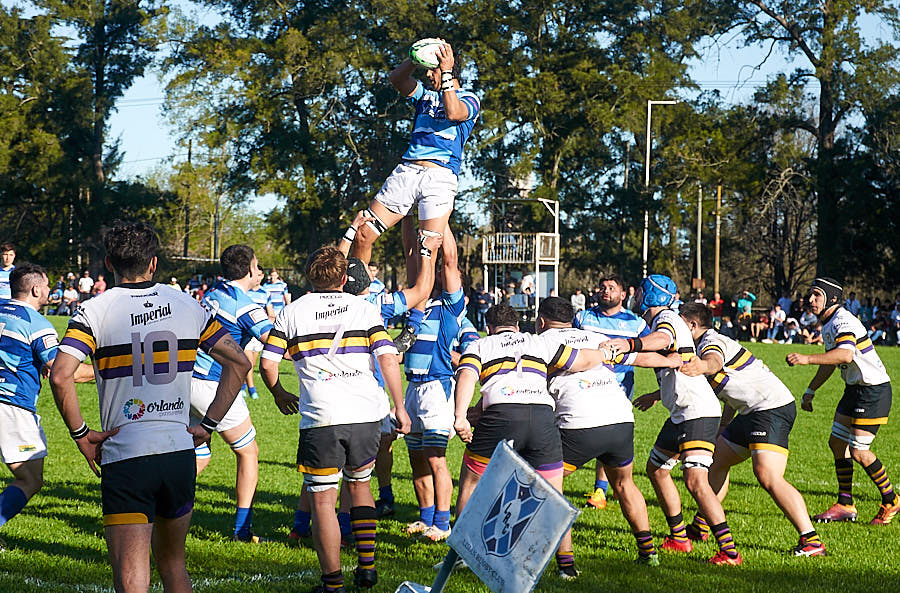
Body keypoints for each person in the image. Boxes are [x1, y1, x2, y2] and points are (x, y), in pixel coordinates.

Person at [49, 221, 249, 593]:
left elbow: (60, 376)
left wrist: (80, 434)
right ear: (154, 264)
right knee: (174, 564)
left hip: (126, 454)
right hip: (178, 451)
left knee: (131, 575)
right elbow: (239, 363)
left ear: (109, 263)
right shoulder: (189, 305)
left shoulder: (94, 311)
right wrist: (208, 425)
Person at [260, 246, 410, 592]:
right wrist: (399, 407)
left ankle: (332, 584)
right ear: (345, 278)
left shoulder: (291, 312)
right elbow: (388, 360)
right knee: (360, 486)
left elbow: (268, 363)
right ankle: (368, 567)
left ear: (309, 276)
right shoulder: (364, 308)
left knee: (323, 500)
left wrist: (278, 392)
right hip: (366, 413)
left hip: (321, 416)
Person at [453, 303, 625, 579]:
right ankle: (566, 566)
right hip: (542, 417)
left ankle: (463, 555)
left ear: (489, 328)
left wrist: (461, 415)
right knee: (554, 495)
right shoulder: (537, 342)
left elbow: (467, 375)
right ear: (518, 326)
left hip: (501, 414)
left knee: (471, 483)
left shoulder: (481, 345)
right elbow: (580, 361)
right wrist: (605, 353)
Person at [538, 297, 683, 566]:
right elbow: (636, 358)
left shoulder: (543, 342)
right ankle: (648, 553)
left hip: (580, 424)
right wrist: (671, 360)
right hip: (620, 418)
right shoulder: (594, 337)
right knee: (625, 484)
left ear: (541, 321)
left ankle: (565, 565)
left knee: (543, 484)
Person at [609, 274, 742, 565]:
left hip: (696, 410)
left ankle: (730, 552)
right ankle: (679, 538)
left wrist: (628, 346)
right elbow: (663, 359)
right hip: (682, 410)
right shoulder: (658, 320)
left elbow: (661, 341)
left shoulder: (666, 318)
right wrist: (628, 358)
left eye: (640, 289)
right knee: (656, 468)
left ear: (653, 296)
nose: (635, 293)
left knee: (695, 480)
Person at [678, 303, 826, 556]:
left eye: (680, 323)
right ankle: (702, 525)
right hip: (751, 412)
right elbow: (730, 389)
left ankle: (811, 541)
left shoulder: (710, 343)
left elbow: (713, 363)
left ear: (692, 325)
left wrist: (700, 367)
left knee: (767, 476)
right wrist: (724, 424)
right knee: (716, 462)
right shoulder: (700, 345)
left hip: (771, 408)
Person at [348, 40, 480, 272]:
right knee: (363, 233)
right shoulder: (425, 96)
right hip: (407, 171)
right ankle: (356, 298)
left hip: (439, 176)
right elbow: (396, 79)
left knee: (425, 253)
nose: (428, 74)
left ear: (448, 69)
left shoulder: (470, 99)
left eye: (433, 68)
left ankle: (419, 310)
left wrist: (446, 71)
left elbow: (453, 111)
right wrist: (416, 57)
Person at [786, 277, 898, 525]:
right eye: (810, 294)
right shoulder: (828, 322)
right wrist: (810, 390)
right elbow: (832, 360)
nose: (810, 299)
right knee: (837, 442)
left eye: (817, 295)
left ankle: (891, 500)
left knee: (859, 451)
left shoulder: (843, 320)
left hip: (873, 390)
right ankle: (845, 504)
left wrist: (806, 358)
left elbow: (845, 354)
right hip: (854, 390)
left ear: (832, 299)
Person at [0, 263, 94, 549]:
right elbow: (62, 372)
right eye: (47, 285)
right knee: (30, 479)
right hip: (12, 407)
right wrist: (104, 371)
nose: (50, 290)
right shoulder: (37, 323)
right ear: (35, 289)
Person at [191, 245, 273, 542]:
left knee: (199, 456)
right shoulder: (244, 304)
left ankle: (156, 508)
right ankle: (242, 530)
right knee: (248, 451)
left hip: (186, 381)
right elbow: (274, 343)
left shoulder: (212, 293)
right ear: (250, 269)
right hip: (213, 385)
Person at [401, 228, 467, 542]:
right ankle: (425, 517)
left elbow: (450, 262)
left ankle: (443, 523)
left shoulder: (451, 307)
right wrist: (408, 220)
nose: (440, 274)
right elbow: (412, 257)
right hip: (412, 388)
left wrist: (441, 222)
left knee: (436, 458)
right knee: (416, 457)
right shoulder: (417, 301)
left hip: (437, 389)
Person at [573, 274, 649, 509]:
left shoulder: (635, 323)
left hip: (619, 387)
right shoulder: (583, 318)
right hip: (586, 386)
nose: (606, 291)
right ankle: (605, 488)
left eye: (612, 288)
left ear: (623, 295)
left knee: (612, 436)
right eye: (603, 287)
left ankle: (603, 489)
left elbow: (652, 348)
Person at [244, 266, 273, 400]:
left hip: (259, 332)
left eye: (261, 275)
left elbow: (270, 313)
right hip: (247, 332)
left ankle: (242, 385)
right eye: (257, 274)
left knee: (252, 364)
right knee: (248, 362)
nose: (258, 278)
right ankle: (252, 389)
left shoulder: (265, 293)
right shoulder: (245, 292)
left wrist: (270, 321)